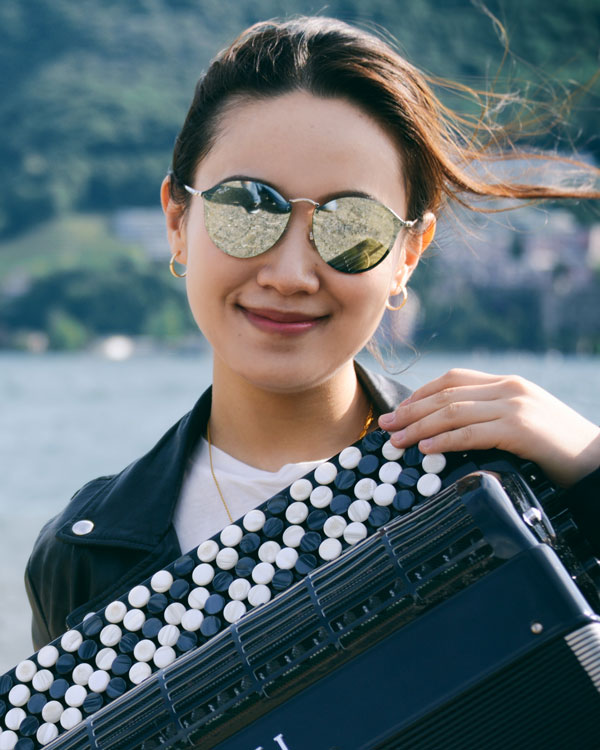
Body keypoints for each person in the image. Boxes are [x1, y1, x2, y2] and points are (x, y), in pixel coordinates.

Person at [26, 16, 600, 650]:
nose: (293, 274)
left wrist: (592, 468)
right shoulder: (85, 553)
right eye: (247, 209)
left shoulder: (501, 479)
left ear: (408, 254)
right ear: (178, 220)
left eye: (351, 226)